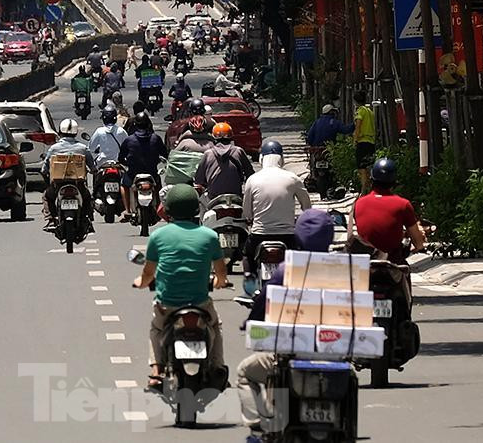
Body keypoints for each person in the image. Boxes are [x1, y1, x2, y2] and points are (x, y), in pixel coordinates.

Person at [238, 209, 335, 437]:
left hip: (291, 354)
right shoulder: (345, 269)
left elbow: (262, 304)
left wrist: (250, 322)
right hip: (333, 353)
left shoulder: (286, 270)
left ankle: (257, 424)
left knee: (244, 372)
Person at [132, 184, 228, 390]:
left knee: (156, 329)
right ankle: (218, 366)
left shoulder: (158, 236)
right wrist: (220, 283)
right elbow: (221, 273)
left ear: (168, 211)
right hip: (200, 304)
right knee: (215, 326)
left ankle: (156, 371)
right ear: (196, 209)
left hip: (168, 304)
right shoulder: (209, 236)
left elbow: (148, 273)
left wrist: (141, 282)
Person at [243, 140, 312, 265]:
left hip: (259, 234)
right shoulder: (293, 178)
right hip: (287, 236)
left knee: (247, 257)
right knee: (298, 263)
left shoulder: (252, 180)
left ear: (262, 158)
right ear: (281, 158)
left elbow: (247, 213)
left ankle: (250, 282)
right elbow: (307, 207)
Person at [352, 158, 425, 264]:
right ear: (394, 181)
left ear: (372, 179)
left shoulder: (359, 203)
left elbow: (372, 228)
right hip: (392, 264)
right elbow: (418, 244)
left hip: (366, 264)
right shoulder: (403, 204)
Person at [41, 119, 97, 231]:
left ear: (60, 132)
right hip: (78, 184)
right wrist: (93, 170)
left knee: (46, 197)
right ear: (76, 133)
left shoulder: (54, 149)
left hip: (58, 184)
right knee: (88, 197)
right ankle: (87, 219)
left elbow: (44, 169)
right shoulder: (82, 148)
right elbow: (92, 167)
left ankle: (51, 219)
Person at [118, 112, 168, 221]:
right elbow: (165, 153)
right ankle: (160, 208)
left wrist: (128, 163)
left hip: (133, 172)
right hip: (152, 172)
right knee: (158, 184)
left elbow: (121, 158)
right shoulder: (156, 138)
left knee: (124, 185)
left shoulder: (129, 140)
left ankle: (127, 211)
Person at [195, 123, 255, 199]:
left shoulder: (208, 154)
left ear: (214, 138)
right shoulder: (238, 151)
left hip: (213, 197)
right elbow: (250, 174)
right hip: (235, 196)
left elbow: (199, 180)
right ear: (231, 137)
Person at [353, 90, 377, 193]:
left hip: (362, 141)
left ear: (355, 101)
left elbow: (358, 126)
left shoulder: (360, 111)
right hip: (371, 142)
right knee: (368, 166)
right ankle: (369, 187)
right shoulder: (370, 111)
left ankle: (364, 190)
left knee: (362, 168)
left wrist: (355, 139)